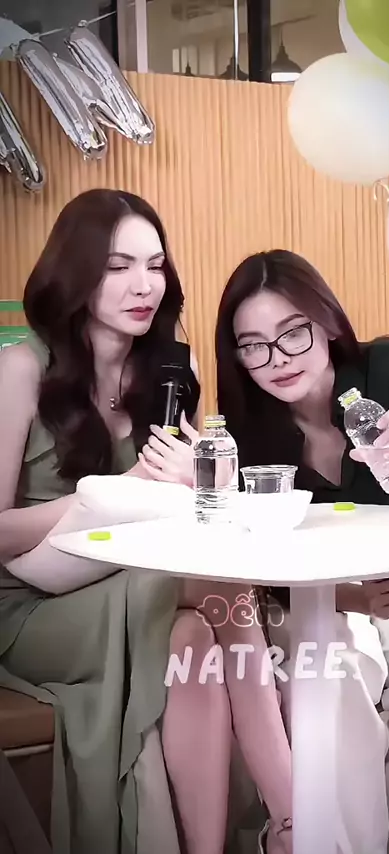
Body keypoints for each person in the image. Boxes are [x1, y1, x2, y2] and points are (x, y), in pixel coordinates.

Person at [0, 191, 287, 854]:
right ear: (75, 272)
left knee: (193, 634)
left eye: (155, 265)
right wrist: (112, 492)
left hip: (140, 584)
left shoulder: (173, 370)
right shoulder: (20, 368)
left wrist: (203, 478)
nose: (144, 285)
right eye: (118, 266)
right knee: (219, 589)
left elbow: (195, 510)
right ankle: (293, 814)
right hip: (31, 606)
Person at [208, 249, 389, 854]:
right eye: (253, 346)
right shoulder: (243, 432)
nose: (277, 359)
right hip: (315, 588)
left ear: (327, 322)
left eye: (292, 334)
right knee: (338, 680)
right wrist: (354, 598)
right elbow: (258, 568)